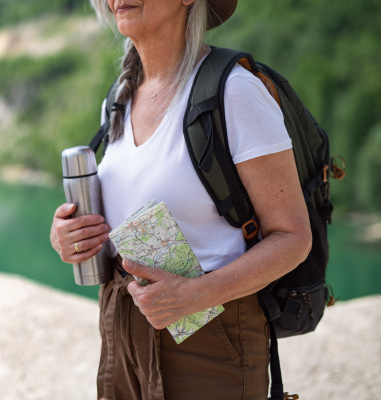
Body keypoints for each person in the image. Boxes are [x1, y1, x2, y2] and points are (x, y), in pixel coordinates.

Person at [49, 0, 312, 399]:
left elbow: (293, 237)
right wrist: (72, 237)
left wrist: (195, 295)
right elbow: (126, 217)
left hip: (211, 338)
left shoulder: (235, 92)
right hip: (122, 327)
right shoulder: (120, 97)